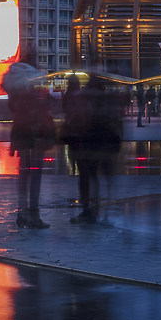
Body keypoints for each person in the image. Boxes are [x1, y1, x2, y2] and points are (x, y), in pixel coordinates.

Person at [62, 76, 122, 221]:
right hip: (97, 140)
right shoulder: (103, 99)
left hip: (86, 140)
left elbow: (74, 116)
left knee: (85, 175)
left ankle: (88, 209)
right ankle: (95, 209)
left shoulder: (82, 98)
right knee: (93, 175)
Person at [5, 66, 57, 228]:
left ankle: (22, 212)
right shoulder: (35, 90)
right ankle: (33, 214)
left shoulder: (16, 92)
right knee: (35, 174)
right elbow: (45, 107)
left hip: (22, 133)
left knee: (24, 173)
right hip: (35, 134)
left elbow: (13, 108)